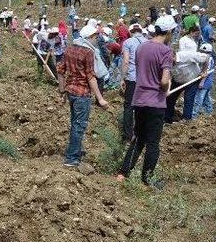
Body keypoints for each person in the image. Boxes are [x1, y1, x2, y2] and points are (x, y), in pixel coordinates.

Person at [117, 16, 176, 189]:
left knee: (138, 137)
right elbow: (164, 81)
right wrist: (165, 89)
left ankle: (123, 172)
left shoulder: (142, 47)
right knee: (153, 143)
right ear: (169, 31)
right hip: (155, 102)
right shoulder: (166, 51)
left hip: (140, 98)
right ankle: (147, 178)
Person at [57, 24, 109, 167]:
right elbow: (91, 77)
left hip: (71, 92)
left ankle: (76, 150)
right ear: (90, 37)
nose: (96, 40)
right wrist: (100, 99)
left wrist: (62, 91)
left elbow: (60, 70)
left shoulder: (69, 48)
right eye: (95, 37)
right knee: (79, 125)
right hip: (82, 93)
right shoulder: (88, 52)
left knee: (75, 122)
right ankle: (72, 157)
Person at [166, 25, 209, 122]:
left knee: (188, 99)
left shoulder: (186, 55)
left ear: (174, 55)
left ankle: (186, 119)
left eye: (171, 60)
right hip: (178, 80)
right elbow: (168, 77)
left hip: (192, 79)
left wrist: (204, 71)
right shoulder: (167, 63)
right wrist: (167, 90)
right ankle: (167, 118)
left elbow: (206, 57)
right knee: (170, 98)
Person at [120, 23, 147, 141]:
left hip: (132, 77)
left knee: (129, 106)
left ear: (131, 32)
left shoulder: (128, 42)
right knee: (142, 105)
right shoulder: (148, 42)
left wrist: (122, 77)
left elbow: (126, 61)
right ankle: (141, 133)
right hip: (146, 78)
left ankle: (128, 135)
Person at [192, 43, 215, 118]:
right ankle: (209, 112)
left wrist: (201, 82)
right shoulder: (210, 58)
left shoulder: (208, 59)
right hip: (209, 82)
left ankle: (194, 115)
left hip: (205, 83)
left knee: (198, 99)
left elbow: (206, 72)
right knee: (206, 98)